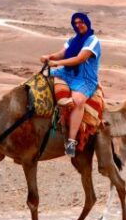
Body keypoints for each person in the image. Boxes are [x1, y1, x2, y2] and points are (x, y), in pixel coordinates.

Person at [40, 13, 101, 157]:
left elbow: (80, 58)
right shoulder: (72, 40)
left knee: (78, 101)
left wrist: (57, 63)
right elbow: (62, 53)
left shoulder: (93, 41)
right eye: (76, 22)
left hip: (85, 78)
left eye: (81, 22)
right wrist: (49, 57)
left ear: (87, 23)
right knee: (41, 80)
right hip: (67, 73)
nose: (79, 25)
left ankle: (71, 141)